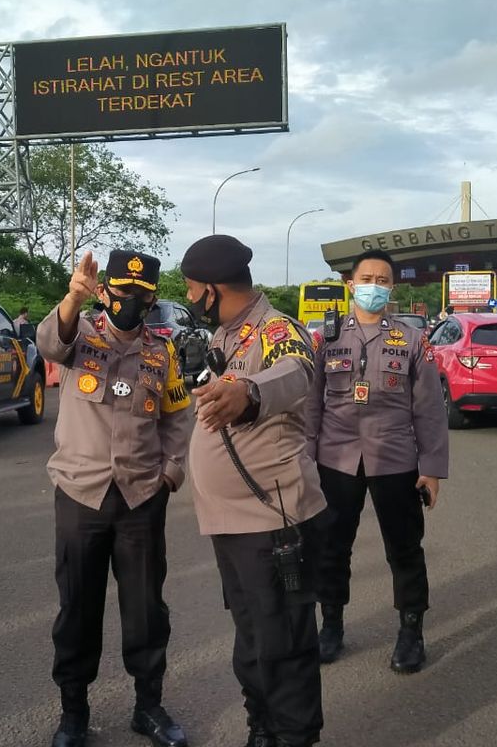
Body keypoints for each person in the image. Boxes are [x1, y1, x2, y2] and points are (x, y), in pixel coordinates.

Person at [36, 249, 193, 747]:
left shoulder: (160, 351)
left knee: (147, 609)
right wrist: (71, 297)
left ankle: (148, 707)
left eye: (142, 296)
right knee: (77, 607)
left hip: (141, 495)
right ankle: (74, 714)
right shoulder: (80, 333)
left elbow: (178, 417)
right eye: (122, 293)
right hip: (81, 494)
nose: (131, 303)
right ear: (105, 291)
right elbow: (48, 344)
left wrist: (170, 473)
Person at [182, 234, 328, 747]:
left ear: (212, 288)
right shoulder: (225, 335)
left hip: (272, 520)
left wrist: (248, 392)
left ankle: (294, 736)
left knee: (283, 642)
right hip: (232, 523)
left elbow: (296, 371)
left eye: (192, 289)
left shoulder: (276, 328)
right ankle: (262, 727)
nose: (190, 298)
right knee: (251, 639)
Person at [305, 248, 449, 673]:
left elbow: (429, 409)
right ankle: (330, 627)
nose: (373, 286)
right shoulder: (326, 338)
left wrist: (432, 468)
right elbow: (312, 405)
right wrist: (306, 460)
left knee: (404, 550)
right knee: (332, 548)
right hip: (335, 458)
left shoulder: (410, 340)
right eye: (366, 278)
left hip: (395, 459)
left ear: (391, 287)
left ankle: (411, 633)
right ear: (351, 284)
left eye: (382, 280)